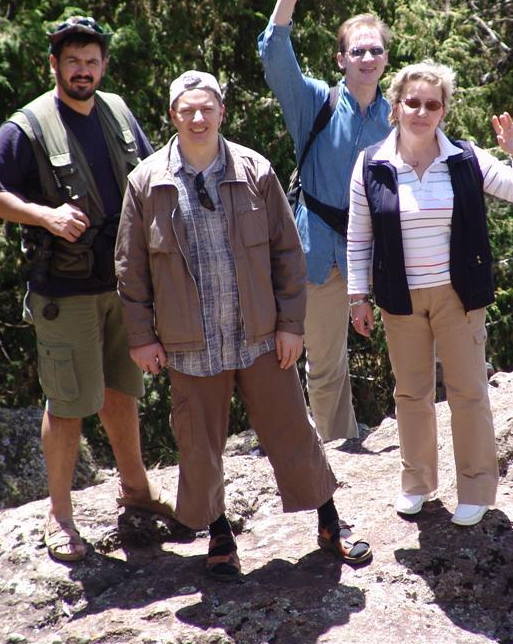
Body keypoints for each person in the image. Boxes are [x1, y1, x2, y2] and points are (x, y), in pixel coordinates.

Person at [114, 70, 372, 580]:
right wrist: (141, 337)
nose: (198, 117)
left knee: (292, 430)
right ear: (173, 116)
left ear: (221, 113)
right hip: (190, 344)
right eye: (187, 109)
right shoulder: (146, 182)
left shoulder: (255, 170)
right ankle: (219, 535)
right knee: (199, 445)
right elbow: (131, 266)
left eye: (206, 108)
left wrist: (291, 324)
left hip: (260, 336)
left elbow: (287, 252)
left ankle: (329, 523)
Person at [0, 15, 174, 562]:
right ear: (55, 65)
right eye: (73, 62)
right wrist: (45, 215)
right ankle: (59, 516)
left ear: (103, 65)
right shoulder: (27, 126)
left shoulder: (118, 112)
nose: (82, 71)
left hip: (122, 283)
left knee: (121, 390)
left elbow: (152, 175)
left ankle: (136, 489)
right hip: (64, 289)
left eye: (91, 61)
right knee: (68, 403)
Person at [346, 61, 513, 527]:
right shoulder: (372, 163)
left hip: (458, 294)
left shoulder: (465, 158)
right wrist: (357, 297)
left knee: (468, 392)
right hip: (400, 296)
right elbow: (359, 235)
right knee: (411, 394)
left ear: (443, 111)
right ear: (396, 107)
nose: (421, 112)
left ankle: (476, 488)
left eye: (432, 104)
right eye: (412, 102)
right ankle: (417, 483)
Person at [257, 0, 392, 442]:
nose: (367, 57)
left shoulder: (398, 116)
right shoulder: (316, 102)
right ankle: (337, 453)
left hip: (377, 252)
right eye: (357, 50)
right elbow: (275, 58)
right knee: (325, 362)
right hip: (315, 250)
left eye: (375, 50)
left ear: (385, 59)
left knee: (409, 350)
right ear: (341, 59)